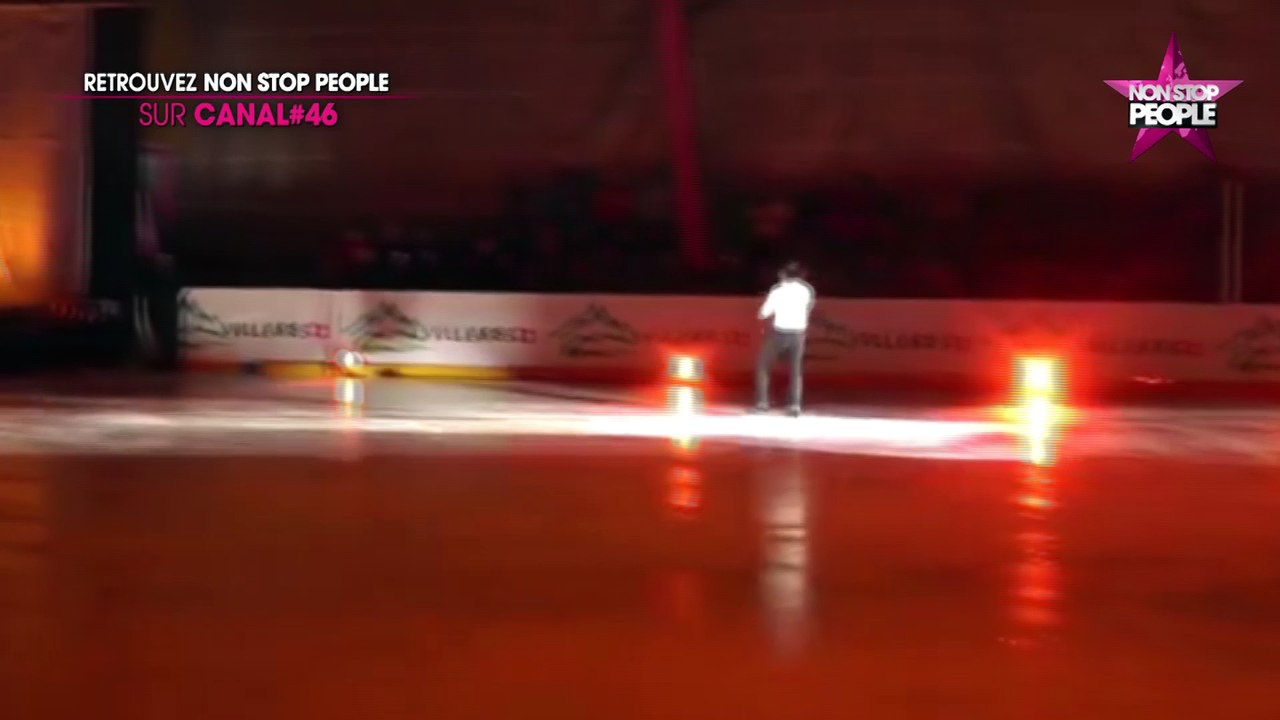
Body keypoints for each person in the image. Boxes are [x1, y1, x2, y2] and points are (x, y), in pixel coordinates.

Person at [753, 261, 815, 416]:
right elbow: (809, 307)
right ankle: (794, 405)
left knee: (763, 366)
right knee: (795, 370)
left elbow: (765, 312)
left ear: (783, 274)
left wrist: (761, 314)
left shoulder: (778, 290)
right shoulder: (807, 290)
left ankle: (762, 403)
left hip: (779, 333)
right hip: (798, 334)